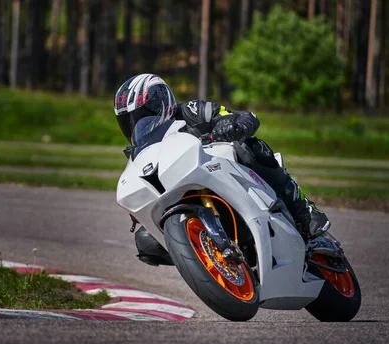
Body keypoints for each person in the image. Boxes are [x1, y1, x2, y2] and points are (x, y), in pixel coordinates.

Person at [114, 73, 330, 266]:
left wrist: (232, 125)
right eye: (129, 122)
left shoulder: (192, 111)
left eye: (144, 115)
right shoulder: (137, 154)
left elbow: (243, 117)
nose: (137, 126)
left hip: (224, 171)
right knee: (144, 241)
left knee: (251, 147)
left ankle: (306, 212)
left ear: (162, 103)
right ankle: (200, 258)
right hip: (181, 195)